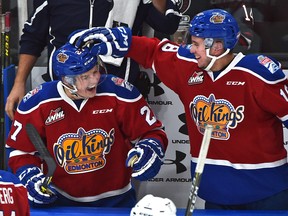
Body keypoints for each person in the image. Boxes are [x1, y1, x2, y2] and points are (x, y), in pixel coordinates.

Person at [70, 9, 288, 210]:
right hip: (216, 195)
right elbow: (154, 51)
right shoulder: (189, 66)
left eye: (196, 43)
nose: (190, 48)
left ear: (217, 47)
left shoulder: (258, 74)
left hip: (267, 195)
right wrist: (121, 42)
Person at [5, 42, 168, 208]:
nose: (94, 80)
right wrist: (30, 176)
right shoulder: (36, 102)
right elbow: (20, 151)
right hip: (59, 201)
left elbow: (152, 132)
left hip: (118, 200)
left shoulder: (120, 92)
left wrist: (151, 146)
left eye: (95, 71)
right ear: (66, 80)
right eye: (85, 77)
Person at [5, 0, 181, 120]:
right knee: (71, 160)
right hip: (65, 93)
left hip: (117, 93)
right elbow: (33, 37)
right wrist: (19, 82)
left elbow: (167, 24)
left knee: (118, 164)